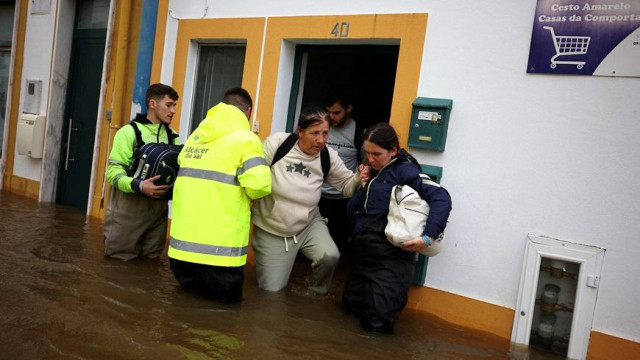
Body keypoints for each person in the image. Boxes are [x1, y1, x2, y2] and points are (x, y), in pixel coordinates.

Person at [341, 122, 452, 333]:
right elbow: (352, 211)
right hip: (363, 257)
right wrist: (364, 185)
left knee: (377, 327)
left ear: (393, 151)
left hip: (391, 262)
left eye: (377, 154)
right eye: (367, 153)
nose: (370, 159)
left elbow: (441, 197)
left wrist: (428, 237)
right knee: (348, 313)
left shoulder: (404, 171)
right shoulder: (375, 172)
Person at [168, 87, 271, 303]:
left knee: (183, 312)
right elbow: (260, 186)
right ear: (248, 111)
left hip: (180, 253)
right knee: (221, 325)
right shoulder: (247, 140)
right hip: (220, 256)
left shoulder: (196, 137)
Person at [251, 106, 369, 295]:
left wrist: (359, 177)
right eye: (314, 133)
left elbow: (347, 187)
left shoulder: (327, 156)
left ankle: (315, 293)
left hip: (308, 223)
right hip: (272, 228)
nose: (321, 140)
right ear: (300, 132)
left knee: (329, 256)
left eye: (325, 133)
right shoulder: (278, 144)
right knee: (271, 294)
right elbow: (252, 175)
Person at [103, 83, 180, 260]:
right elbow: (113, 173)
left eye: (174, 105)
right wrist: (140, 186)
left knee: (151, 261)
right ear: (153, 104)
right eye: (169, 105)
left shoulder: (172, 135)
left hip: (159, 209)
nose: (173, 110)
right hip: (129, 206)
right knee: (118, 262)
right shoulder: (128, 132)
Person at [319, 88, 364, 254]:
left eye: (336, 112)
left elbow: (366, 164)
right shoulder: (321, 128)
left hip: (344, 199)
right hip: (317, 196)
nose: (331, 117)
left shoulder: (358, 132)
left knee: (339, 246)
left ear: (349, 109)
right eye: (328, 112)